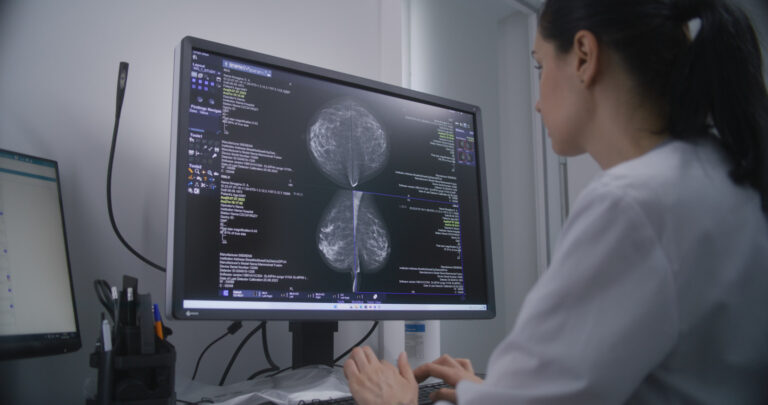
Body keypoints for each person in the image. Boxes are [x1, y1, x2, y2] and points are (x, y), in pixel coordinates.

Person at [343, 0, 768, 403]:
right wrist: (491, 394)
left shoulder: (634, 204)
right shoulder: (722, 174)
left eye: (540, 66)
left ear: (584, 55)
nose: (537, 101)